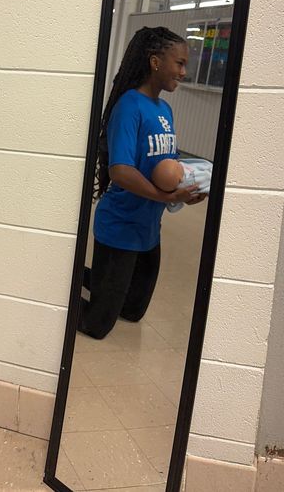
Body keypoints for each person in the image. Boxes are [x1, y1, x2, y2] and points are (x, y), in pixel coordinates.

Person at [78, 26, 206, 340]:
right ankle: (65, 281)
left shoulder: (165, 110)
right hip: (120, 227)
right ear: (155, 62)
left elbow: (166, 166)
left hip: (148, 229)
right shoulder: (129, 107)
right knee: (98, 325)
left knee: (132, 311)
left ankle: (103, 282)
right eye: (179, 63)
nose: (183, 71)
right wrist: (165, 197)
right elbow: (121, 171)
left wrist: (185, 190)